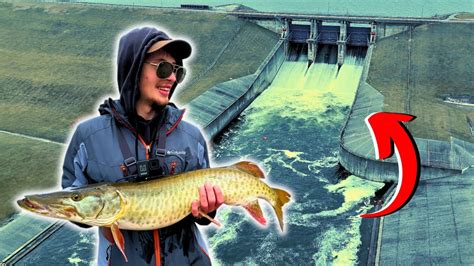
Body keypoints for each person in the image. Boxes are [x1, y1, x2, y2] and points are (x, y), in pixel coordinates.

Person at [61, 26, 224, 265]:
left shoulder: (193, 137)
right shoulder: (88, 136)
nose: (171, 78)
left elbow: (202, 216)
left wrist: (208, 211)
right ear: (133, 67)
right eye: (163, 67)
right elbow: (72, 197)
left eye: (177, 71)